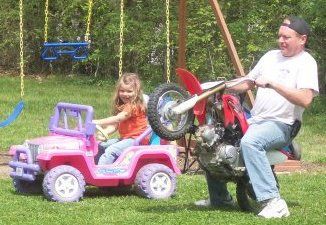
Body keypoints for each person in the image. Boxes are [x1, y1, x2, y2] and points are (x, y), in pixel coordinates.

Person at [195, 16, 319, 218]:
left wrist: (273, 83)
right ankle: (220, 198)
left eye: (286, 37)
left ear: (302, 39)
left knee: (251, 143)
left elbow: (305, 99)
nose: (281, 41)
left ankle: (274, 201)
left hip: (283, 124)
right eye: (279, 36)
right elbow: (247, 82)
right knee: (213, 138)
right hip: (257, 119)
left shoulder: (306, 63)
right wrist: (218, 86)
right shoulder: (270, 56)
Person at [93, 73, 149, 165]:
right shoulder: (122, 105)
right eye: (122, 91)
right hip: (126, 139)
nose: (125, 94)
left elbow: (118, 119)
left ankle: (101, 174)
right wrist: (105, 132)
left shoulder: (134, 106)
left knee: (111, 150)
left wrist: (97, 122)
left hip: (137, 140)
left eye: (129, 91)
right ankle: (93, 168)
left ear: (137, 92)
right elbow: (115, 125)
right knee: (100, 146)